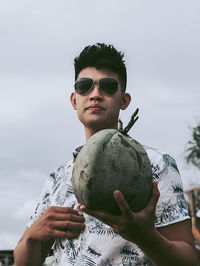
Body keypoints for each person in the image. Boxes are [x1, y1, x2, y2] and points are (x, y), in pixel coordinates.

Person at [14, 43, 198, 265]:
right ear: (74, 100)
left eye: (108, 86)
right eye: (84, 86)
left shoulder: (155, 164)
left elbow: (189, 259)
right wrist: (33, 236)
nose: (95, 94)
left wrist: (144, 236)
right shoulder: (57, 178)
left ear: (124, 100)